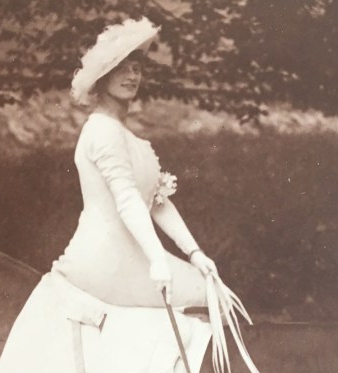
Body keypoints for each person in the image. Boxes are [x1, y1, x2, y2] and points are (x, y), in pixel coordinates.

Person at [53, 17, 218, 309]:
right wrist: (157, 260)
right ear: (101, 78)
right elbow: (127, 199)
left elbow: (156, 202)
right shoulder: (102, 130)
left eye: (136, 69)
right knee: (208, 298)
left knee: (211, 290)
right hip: (103, 258)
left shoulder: (127, 136)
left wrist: (194, 253)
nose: (131, 76)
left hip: (131, 255)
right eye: (121, 69)